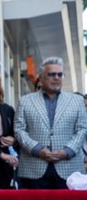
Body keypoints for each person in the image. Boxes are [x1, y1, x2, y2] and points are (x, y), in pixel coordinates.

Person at [14, 58, 87, 189]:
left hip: (69, 168)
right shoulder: (25, 101)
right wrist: (37, 150)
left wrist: (67, 151)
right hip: (34, 167)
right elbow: (19, 130)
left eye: (60, 74)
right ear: (41, 78)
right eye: (51, 74)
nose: (56, 78)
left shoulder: (77, 101)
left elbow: (82, 129)